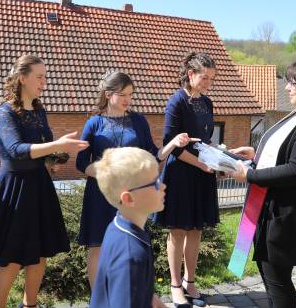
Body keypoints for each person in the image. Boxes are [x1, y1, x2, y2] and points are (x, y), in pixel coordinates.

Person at [0, 55, 89, 308]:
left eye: (45, 76)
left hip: (39, 186)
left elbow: (44, 147)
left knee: (39, 254)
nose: (44, 82)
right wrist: (56, 144)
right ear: (22, 78)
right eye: (40, 77)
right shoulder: (4, 112)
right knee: (11, 257)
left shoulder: (39, 111)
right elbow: (16, 149)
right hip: (14, 188)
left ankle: (30, 305)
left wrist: (57, 155)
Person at [228, 59, 296, 308]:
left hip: (287, 217)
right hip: (272, 211)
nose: (287, 87)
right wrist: (256, 155)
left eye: (293, 83)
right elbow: (289, 153)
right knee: (271, 276)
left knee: (277, 281)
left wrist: (249, 175)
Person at [76, 71, 195, 287]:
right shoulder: (94, 123)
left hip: (132, 196)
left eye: (130, 94)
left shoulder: (139, 121)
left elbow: (153, 154)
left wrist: (173, 144)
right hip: (100, 195)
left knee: (129, 245)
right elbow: (81, 163)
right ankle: (98, 300)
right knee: (98, 248)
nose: (128, 100)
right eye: (123, 94)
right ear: (108, 94)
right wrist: (110, 174)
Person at [153, 52, 219, 308]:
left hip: (202, 173)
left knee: (196, 230)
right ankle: (175, 286)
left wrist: (219, 156)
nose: (207, 83)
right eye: (204, 78)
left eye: (211, 79)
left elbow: (204, 139)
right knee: (178, 231)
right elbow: (173, 147)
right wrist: (202, 164)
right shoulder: (176, 102)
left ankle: (191, 283)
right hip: (180, 173)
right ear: (191, 74)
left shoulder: (208, 103)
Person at [89, 147, 168, 308]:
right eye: (155, 182)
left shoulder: (117, 226)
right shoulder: (131, 256)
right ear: (129, 198)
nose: (163, 186)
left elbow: (142, 291)